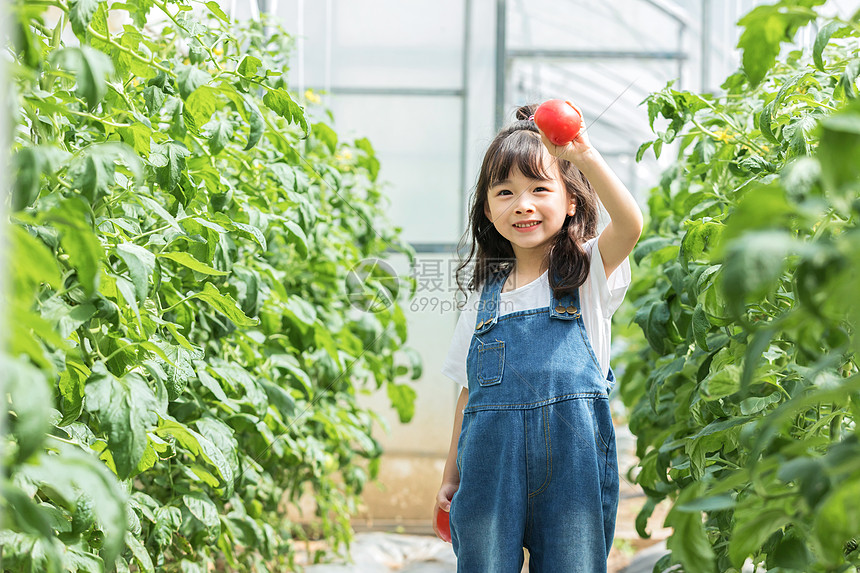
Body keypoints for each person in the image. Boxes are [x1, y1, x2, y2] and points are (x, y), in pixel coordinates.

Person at [433, 102, 643, 572]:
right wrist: (452, 476)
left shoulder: (587, 275)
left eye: (540, 189)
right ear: (487, 210)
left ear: (571, 201)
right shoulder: (482, 301)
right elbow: (468, 395)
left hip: (572, 471)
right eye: (504, 192)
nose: (522, 204)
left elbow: (630, 225)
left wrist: (582, 154)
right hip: (490, 469)